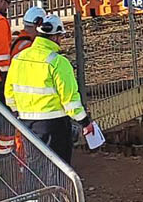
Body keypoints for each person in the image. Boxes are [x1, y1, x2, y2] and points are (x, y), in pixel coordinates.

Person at [5, 15, 102, 168]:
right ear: (56, 37)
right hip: (54, 125)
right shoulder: (58, 62)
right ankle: (57, 193)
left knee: (36, 168)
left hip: (25, 122)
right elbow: (70, 100)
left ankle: (39, 192)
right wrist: (84, 122)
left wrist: (18, 112)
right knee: (58, 169)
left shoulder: (18, 58)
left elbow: (9, 94)